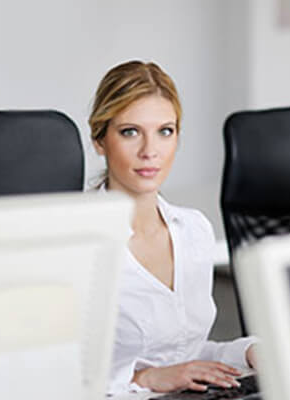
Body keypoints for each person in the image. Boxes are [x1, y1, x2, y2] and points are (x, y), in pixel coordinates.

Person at [88, 60, 257, 395]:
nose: (150, 151)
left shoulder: (193, 230)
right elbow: (50, 378)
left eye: (165, 131)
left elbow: (187, 358)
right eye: (130, 132)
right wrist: (144, 380)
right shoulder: (80, 246)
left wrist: (250, 353)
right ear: (99, 141)